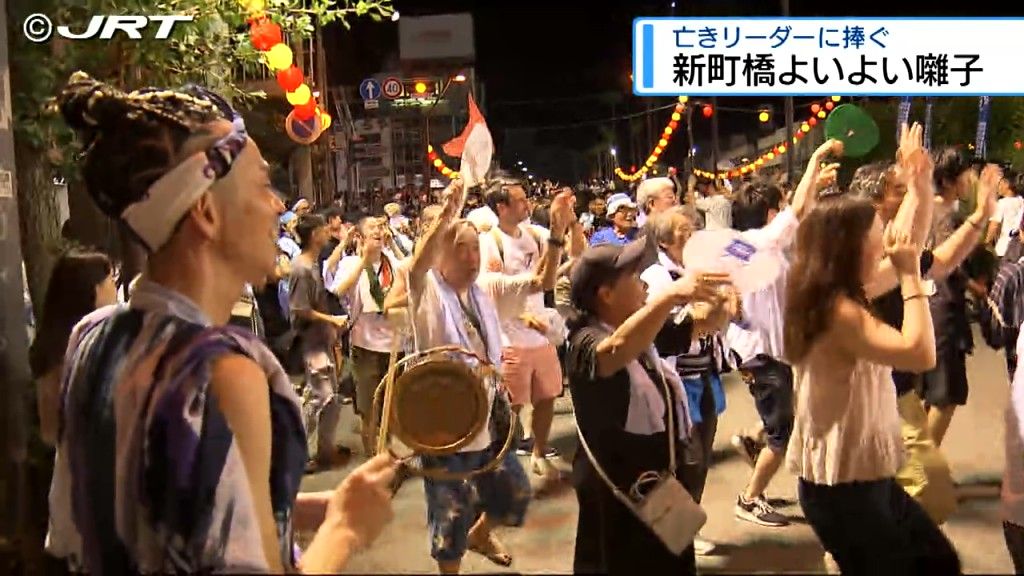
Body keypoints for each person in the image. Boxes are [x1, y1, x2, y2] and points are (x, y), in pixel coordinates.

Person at [48, 72, 396, 573]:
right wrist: (345, 529)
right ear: (206, 212)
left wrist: (303, 509)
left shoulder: (93, 334)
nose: (278, 205)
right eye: (261, 184)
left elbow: (113, 519)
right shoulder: (222, 374)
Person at [784, 187, 960, 575]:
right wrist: (912, 278)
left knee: (939, 563)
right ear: (849, 248)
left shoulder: (829, 290)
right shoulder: (837, 310)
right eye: (875, 238)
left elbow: (907, 240)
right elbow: (920, 354)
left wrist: (920, 186)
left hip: (861, 481)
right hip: (844, 491)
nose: (883, 246)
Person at [565, 237, 733, 575]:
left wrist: (722, 300)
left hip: (656, 483)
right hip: (617, 492)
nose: (644, 283)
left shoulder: (641, 327)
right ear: (605, 294)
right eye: (633, 277)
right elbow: (615, 350)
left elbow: (698, 327)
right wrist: (671, 295)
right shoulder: (583, 340)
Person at [403, 179, 532, 574]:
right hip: (446, 422)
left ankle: (482, 533)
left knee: (515, 492)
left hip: (488, 414)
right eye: (459, 247)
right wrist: (446, 215)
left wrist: (498, 364)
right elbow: (415, 269)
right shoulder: (427, 293)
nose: (470, 256)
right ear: (440, 251)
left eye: (475, 247)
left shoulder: (478, 292)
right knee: (450, 513)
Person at [725, 141, 839, 529]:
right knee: (784, 434)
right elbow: (798, 209)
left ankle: (753, 438)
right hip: (763, 355)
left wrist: (817, 184)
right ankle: (749, 498)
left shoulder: (747, 244)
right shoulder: (762, 243)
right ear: (771, 213)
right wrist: (817, 158)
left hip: (762, 352)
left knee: (782, 414)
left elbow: (800, 212)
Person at [641, 205, 732, 556]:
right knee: (682, 462)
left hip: (706, 376)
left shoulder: (699, 270)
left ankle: (682, 532)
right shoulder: (658, 277)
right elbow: (678, 329)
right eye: (684, 228)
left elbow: (720, 321)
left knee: (700, 460)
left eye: (693, 226)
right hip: (677, 382)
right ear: (664, 240)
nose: (692, 231)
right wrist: (714, 303)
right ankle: (671, 537)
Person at [478, 175, 570, 473]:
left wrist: (571, 223)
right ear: (501, 207)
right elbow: (502, 293)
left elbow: (567, 257)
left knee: (547, 397)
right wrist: (557, 231)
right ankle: (499, 462)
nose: (527, 203)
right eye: (519, 199)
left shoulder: (533, 233)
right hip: (509, 340)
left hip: (540, 335)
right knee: (510, 407)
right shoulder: (489, 244)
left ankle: (539, 452)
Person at [29, 248, 117, 448]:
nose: (115, 287)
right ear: (94, 290)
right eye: (111, 279)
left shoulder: (53, 347)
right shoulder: (84, 351)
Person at [329, 216, 401, 456]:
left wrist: (394, 246)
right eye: (372, 228)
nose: (378, 231)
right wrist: (364, 260)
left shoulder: (391, 260)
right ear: (359, 237)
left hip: (394, 344)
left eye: (381, 227)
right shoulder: (350, 263)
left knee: (392, 405)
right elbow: (338, 290)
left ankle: (388, 455)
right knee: (369, 406)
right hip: (365, 345)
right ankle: (373, 456)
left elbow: (413, 276)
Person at [289, 213, 352, 471]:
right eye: (323, 229)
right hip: (310, 342)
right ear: (314, 235)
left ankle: (325, 451)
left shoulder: (312, 264)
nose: (328, 231)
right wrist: (332, 320)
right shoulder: (301, 268)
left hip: (320, 339)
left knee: (330, 399)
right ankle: (298, 453)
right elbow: (300, 309)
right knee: (320, 398)